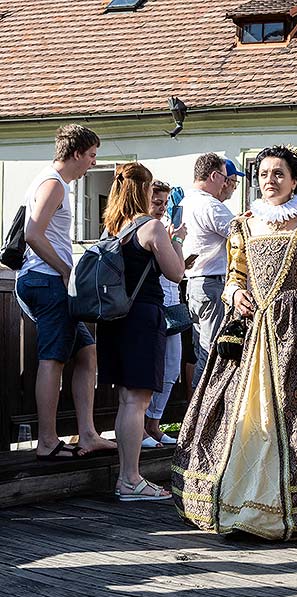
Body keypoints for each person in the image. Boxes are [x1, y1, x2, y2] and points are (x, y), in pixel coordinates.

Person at [173, 146, 297, 539]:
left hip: (296, 337)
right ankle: (237, 500)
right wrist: (232, 295)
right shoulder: (243, 225)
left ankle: (283, 506)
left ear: (295, 179)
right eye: (264, 173)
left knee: (291, 417)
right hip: (251, 333)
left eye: (279, 174)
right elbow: (234, 276)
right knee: (243, 418)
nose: (270, 180)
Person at [15, 124, 117, 460]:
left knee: (87, 353)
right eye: (90, 155)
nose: (92, 162)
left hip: (48, 281)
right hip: (46, 280)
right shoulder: (52, 183)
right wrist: (64, 268)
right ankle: (46, 441)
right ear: (76, 153)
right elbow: (33, 233)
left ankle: (87, 434)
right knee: (53, 359)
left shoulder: (55, 183)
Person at [96, 163, 186, 501]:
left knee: (126, 400)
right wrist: (175, 241)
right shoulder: (151, 228)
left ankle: (125, 477)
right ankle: (132, 480)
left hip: (114, 317)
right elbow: (175, 274)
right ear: (144, 190)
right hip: (142, 318)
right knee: (137, 400)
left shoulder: (113, 228)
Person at [181, 153, 232, 389]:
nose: (226, 183)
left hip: (194, 283)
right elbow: (241, 234)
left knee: (201, 348)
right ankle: (202, 411)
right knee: (211, 352)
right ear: (213, 175)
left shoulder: (186, 201)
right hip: (212, 283)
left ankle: (197, 410)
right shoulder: (210, 204)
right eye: (224, 177)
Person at [143, 180, 182, 447]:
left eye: (165, 203)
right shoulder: (145, 229)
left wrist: (177, 239)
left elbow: (178, 271)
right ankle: (142, 428)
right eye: (157, 202)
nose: (161, 208)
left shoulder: (162, 229)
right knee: (147, 369)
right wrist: (174, 239)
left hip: (172, 304)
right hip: (152, 306)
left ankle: (154, 424)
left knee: (171, 368)